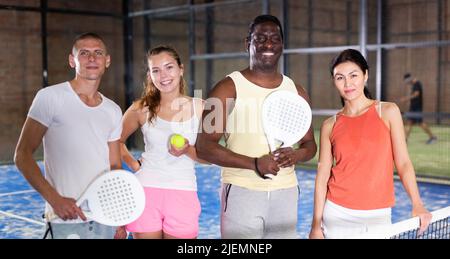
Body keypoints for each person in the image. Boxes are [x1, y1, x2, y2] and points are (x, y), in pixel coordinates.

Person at [196, 14, 317, 239]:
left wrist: (296, 155)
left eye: (274, 38)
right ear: (247, 43)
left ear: (282, 44)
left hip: (286, 193)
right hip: (242, 192)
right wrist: (253, 163)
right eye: (260, 38)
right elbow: (203, 146)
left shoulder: (297, 91)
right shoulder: (226, 89)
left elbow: (310, 145)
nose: (268, 44)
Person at [309, 49, 432, 239]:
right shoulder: (329, 125)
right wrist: (316, 225)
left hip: (378, 216)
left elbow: (404, 163)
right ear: (334, 82)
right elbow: (323, 175)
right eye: (340, 78)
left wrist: (417, 203)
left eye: (353, 75)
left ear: (365, 75)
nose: (348, 83)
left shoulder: (388, 111)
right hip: (336, 213)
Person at [14, 33, 123, 239]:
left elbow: (115, 167)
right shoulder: (50, 97)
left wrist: (117, 218)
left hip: (105, 219)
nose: (92, 58)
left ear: (107, 61)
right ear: (72, 60)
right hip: (66, 220)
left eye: (98, 53)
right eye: (84, 53)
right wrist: (54, 199)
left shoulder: (113, 110)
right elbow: (22, 155)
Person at [116, 45, 206, 239]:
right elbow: (115, 141)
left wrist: (187, 150)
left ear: (181, 69)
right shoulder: (140, 108)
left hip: (183, 191)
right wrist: (134, 165)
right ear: (150, 76)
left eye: (169, 67)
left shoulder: (200, 108)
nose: (163, 75)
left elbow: (209, 158)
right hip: (146, 190)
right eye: (156, 70)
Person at [400, 73, 437, 144]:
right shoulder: (414, 85)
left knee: (420, 123)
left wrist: (406, 99)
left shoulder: (417, 84)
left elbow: (416, 94)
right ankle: (404, 140)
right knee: (409, 123)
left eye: (407, 81)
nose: (407, 83)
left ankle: (432, 137)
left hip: (417, 108)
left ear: (409, 79)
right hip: (413, 108)